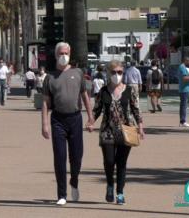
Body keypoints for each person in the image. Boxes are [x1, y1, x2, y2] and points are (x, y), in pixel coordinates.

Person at [42, 42, 94, 206]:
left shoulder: (78, 73)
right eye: (60, 53)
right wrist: (44, 124)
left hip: (75, 119)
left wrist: (91, 117)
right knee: (60, 157)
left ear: (70, 54)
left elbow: (85, 96)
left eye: (66, 53)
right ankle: (62, 194)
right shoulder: (50, 77)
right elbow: (45, 102)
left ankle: (74, 181)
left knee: (76, 157)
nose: (63, 56)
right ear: (56, 55)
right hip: (58, 119)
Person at [91, 60, 145, 205]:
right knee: (109, 161)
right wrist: (90, 122)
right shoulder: (103, 91)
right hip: (107, 130)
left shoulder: (129, 90)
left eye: (120, 72)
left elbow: (136, 109)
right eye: (114, 72)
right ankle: (110, 185)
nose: (117, 75)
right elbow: (96, 109)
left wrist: (140, 126)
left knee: (121, 163)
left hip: (126, 130)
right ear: (108, 73)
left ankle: (120, 192)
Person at [178, 57, 189, 127]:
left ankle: (182, 121)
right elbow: (184, 78)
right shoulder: (182, 67)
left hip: (187, 89)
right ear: (186, 61)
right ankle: (183, 121)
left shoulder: (184, 67)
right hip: (184, 89)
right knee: (184, 105)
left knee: (184, 105)